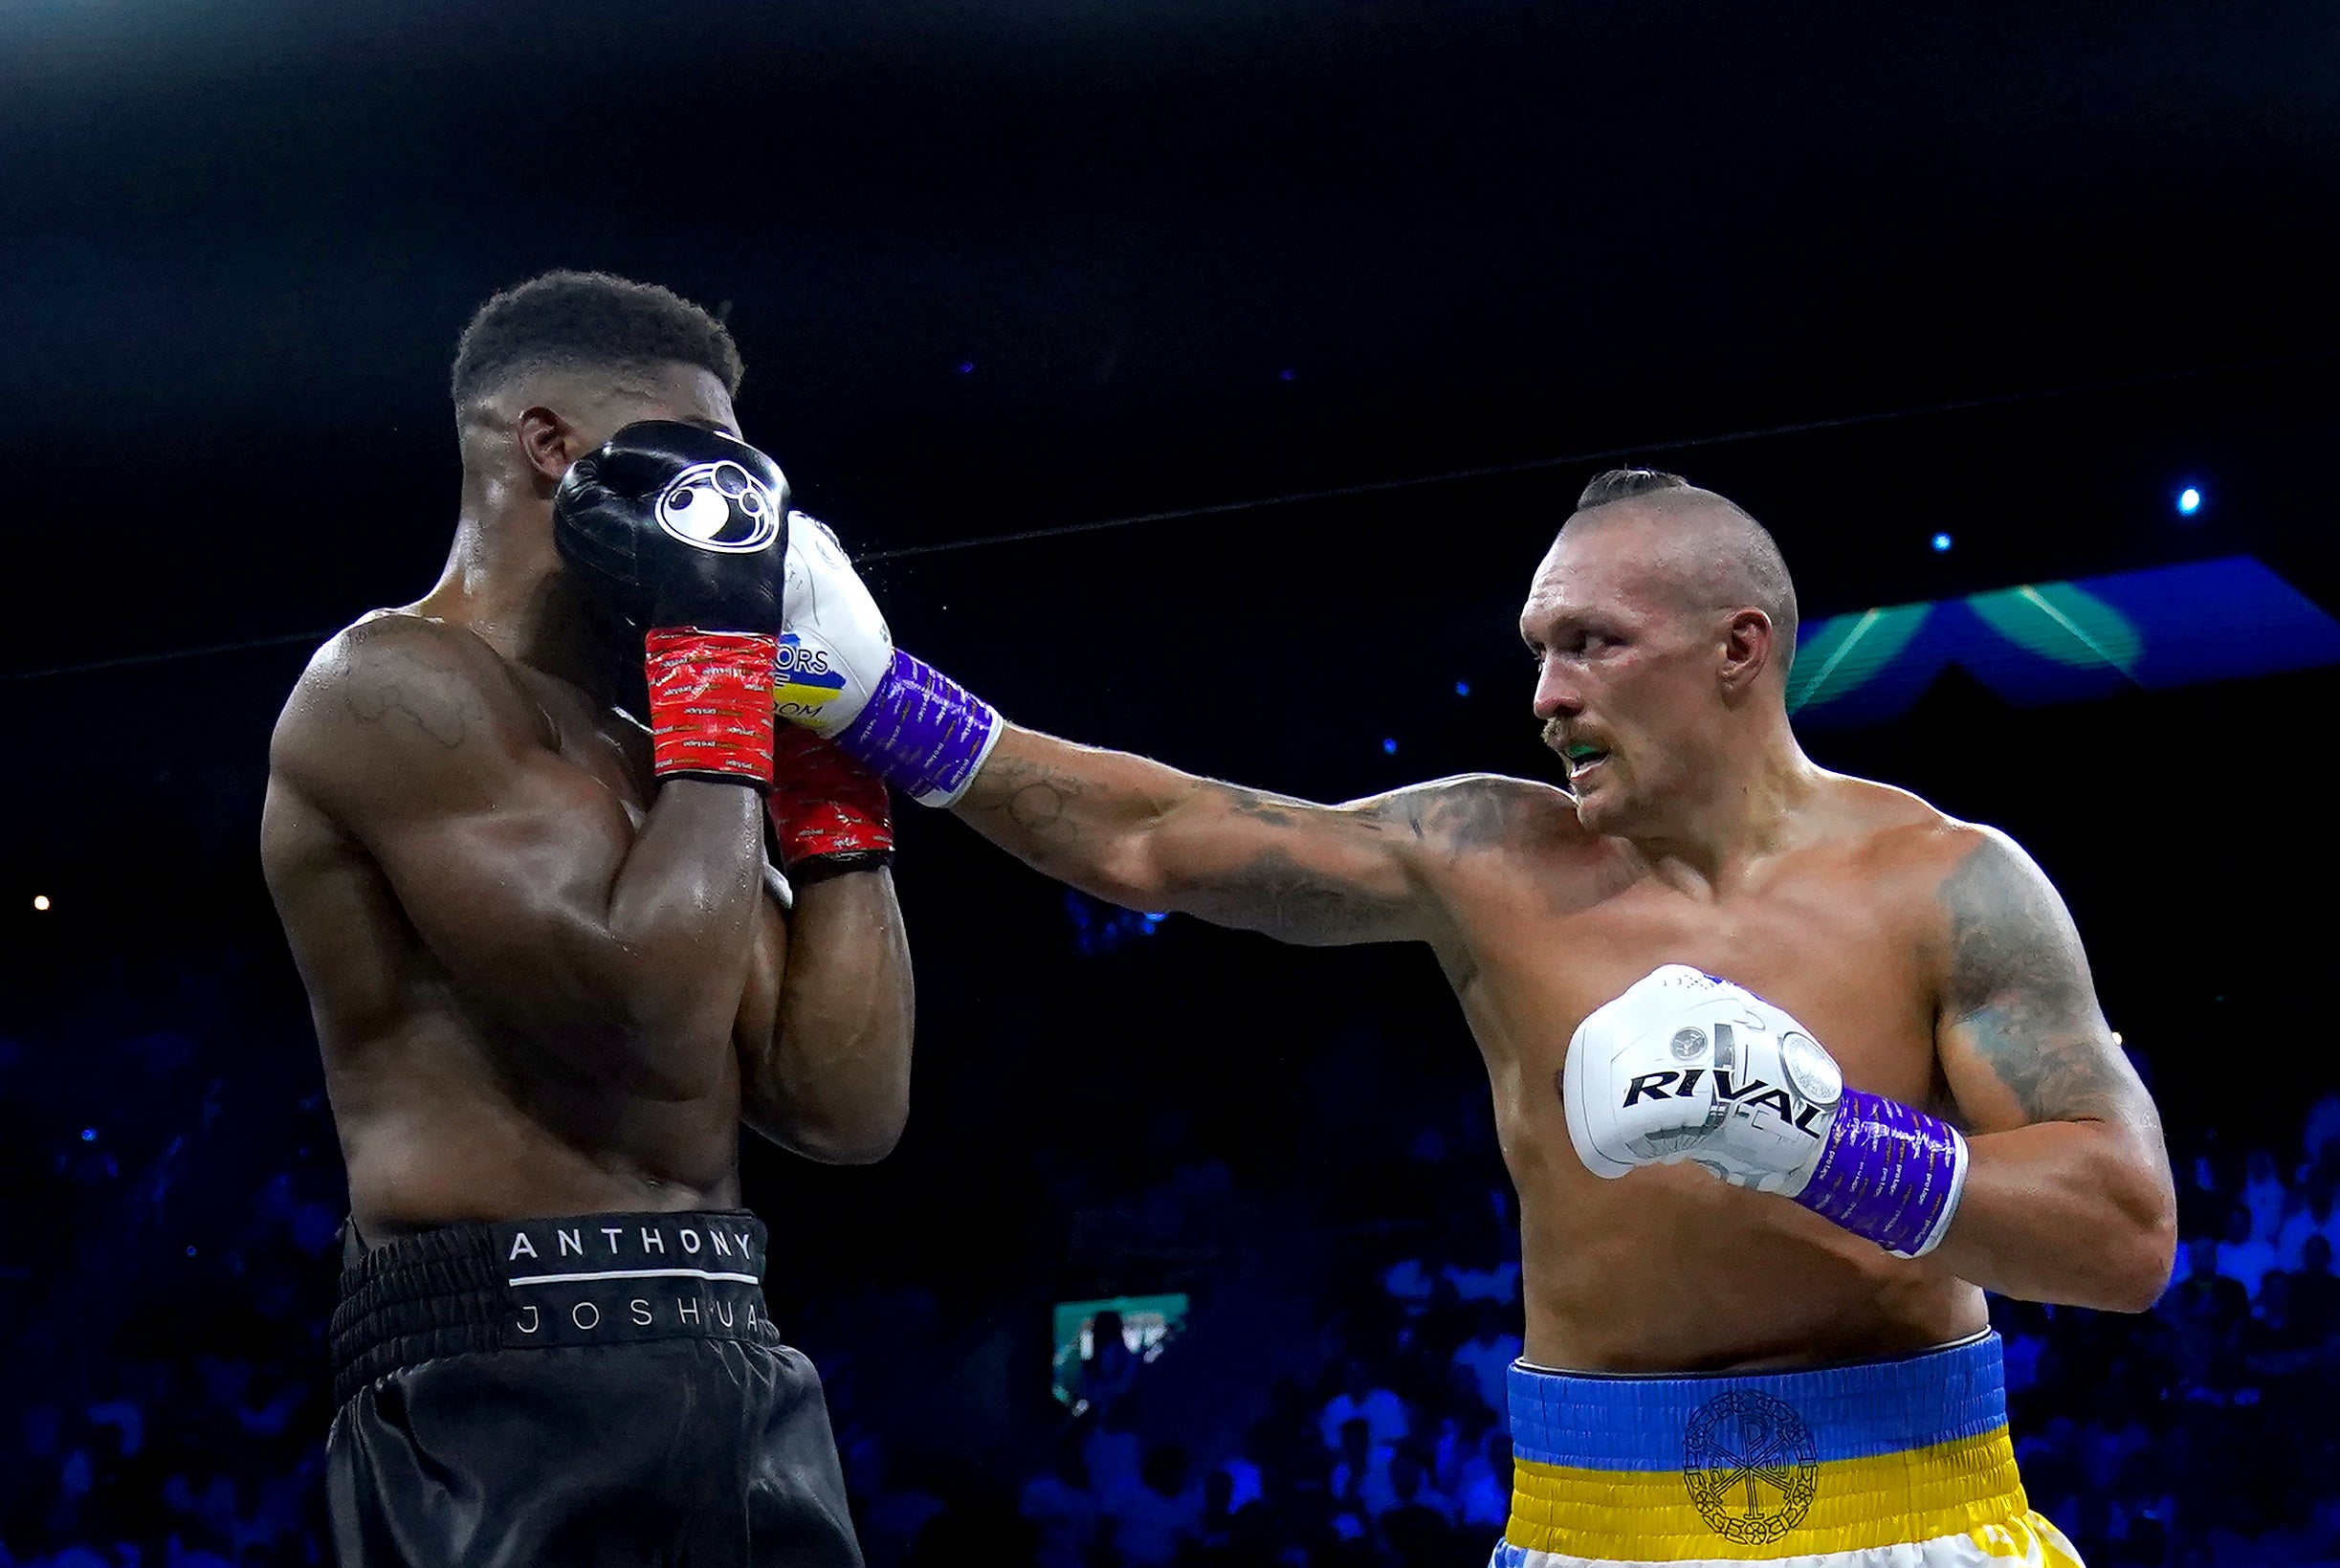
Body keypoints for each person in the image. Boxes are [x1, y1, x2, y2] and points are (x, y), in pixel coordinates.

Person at [765, 468, 2175, 1564]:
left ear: (1737, 647)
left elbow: (2122, 1236)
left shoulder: (1950, 884)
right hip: (1595, 1529)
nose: (1546, 696)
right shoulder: (1485, 856)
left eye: (1591, 646)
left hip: (1916, 1517)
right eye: (1537, 651)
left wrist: (1821, 1143)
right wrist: (889, 705)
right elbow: (1161, 840)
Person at [260, 272, 914, 1566]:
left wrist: (840, 769)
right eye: (699, 462)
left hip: (740, 1346)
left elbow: (844, 1110)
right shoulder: (386, 686)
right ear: (552, 449)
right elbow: (649, 1022)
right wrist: (725, 678)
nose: (738, 511)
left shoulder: (657, 749)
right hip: (500, 1377)